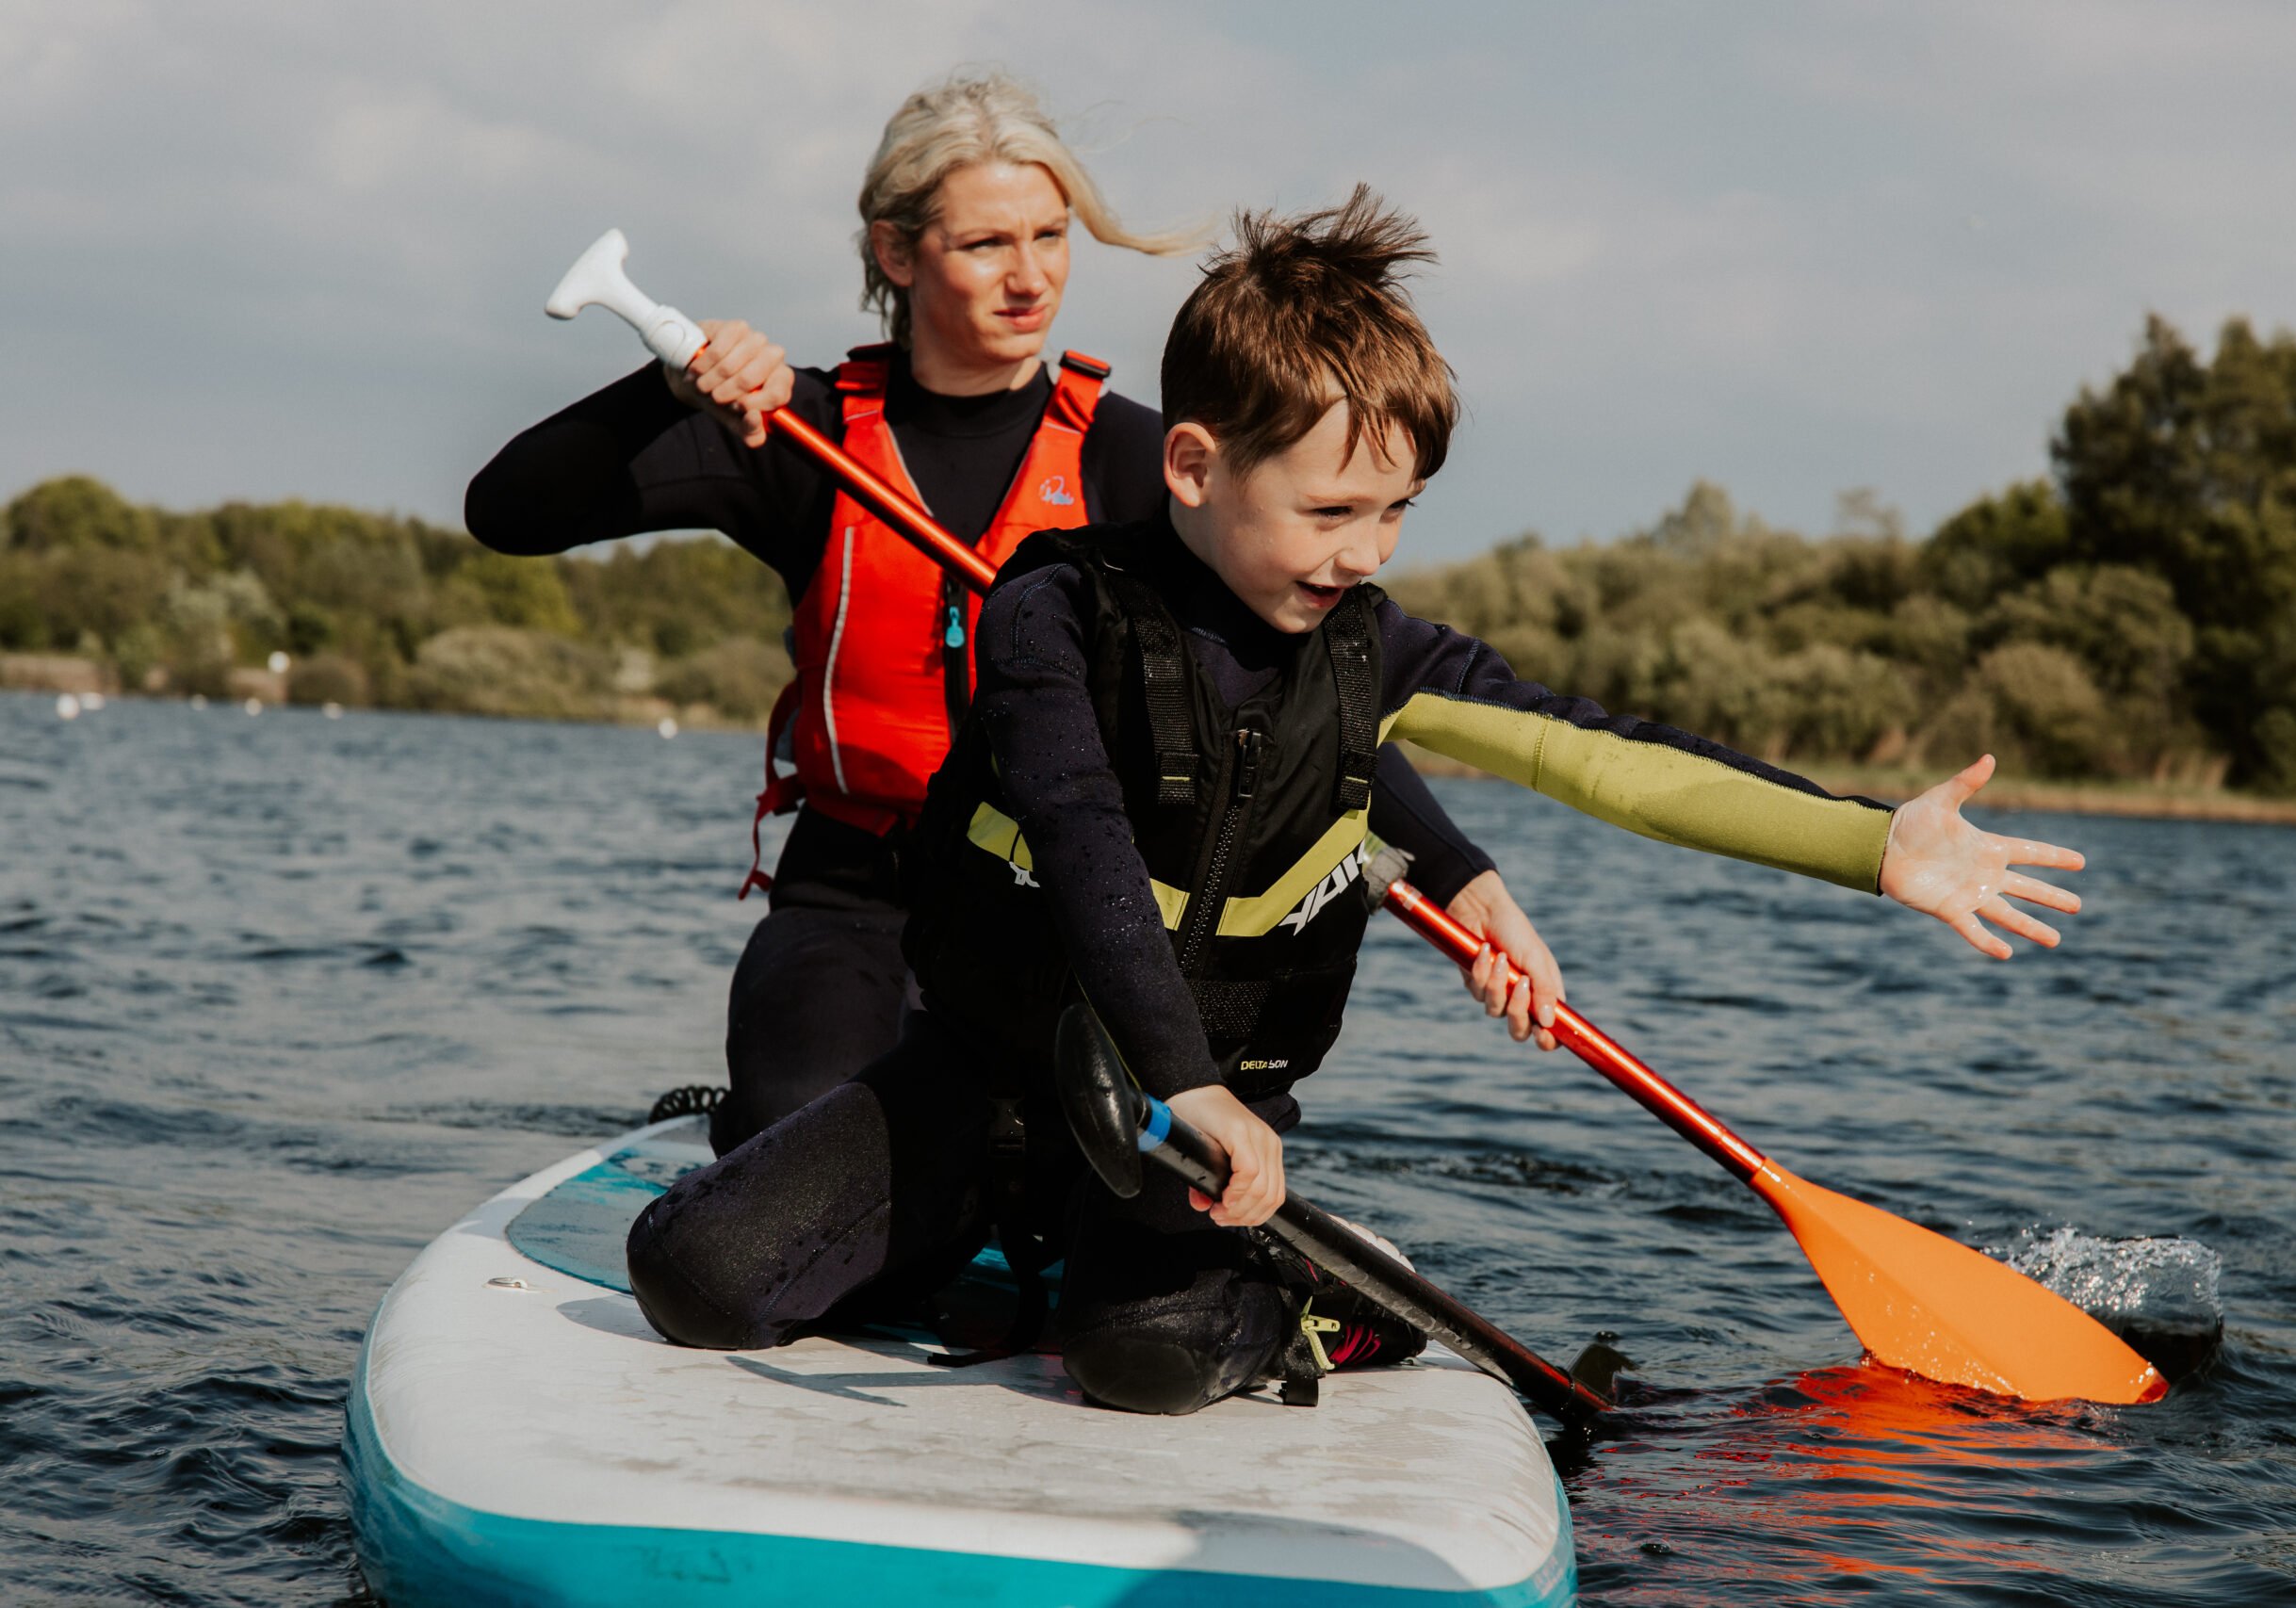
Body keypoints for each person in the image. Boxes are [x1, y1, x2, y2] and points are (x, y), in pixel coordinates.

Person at [623, 189, 2086, 1416]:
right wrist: (1172, 1065)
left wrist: (1865, 837)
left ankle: (1298, 1304)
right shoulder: (1047, 610)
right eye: (1330, 510)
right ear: (1192, 465)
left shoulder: (1377, 647)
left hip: (1196, 1130)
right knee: (695, 1278)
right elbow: (1072, 828)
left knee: (1135, 1361)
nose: (1364, 549)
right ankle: (977, 1226)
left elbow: (1602, 754)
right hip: (1003, 1071)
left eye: (1395, 512)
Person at [465, 73, 1564, 1157]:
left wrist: (1464, 878)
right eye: (987, 244)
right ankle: (772, 1124)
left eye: (1051, 235)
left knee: (1045, 1162)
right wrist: (666, 389)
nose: (1030, 276)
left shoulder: (1144, 460)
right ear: (897, 255)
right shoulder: (793, 432)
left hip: (1055, 906)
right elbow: (505, 512)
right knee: (806, 1132)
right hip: (856, 897)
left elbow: (1312, 703)